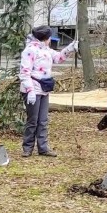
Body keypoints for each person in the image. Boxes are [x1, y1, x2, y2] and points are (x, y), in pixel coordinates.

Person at [19, 26, 78, 158]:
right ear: (45, 38)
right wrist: (30, 90)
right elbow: (24, 72)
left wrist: (69, 48)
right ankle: (27, 148)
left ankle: (43, 147)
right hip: (32, 90)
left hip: (44, 89)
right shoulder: (30, 50)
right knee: (32, 120)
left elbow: (58, 58)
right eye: (49, 37)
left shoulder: (46, 50)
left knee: (43, 120)